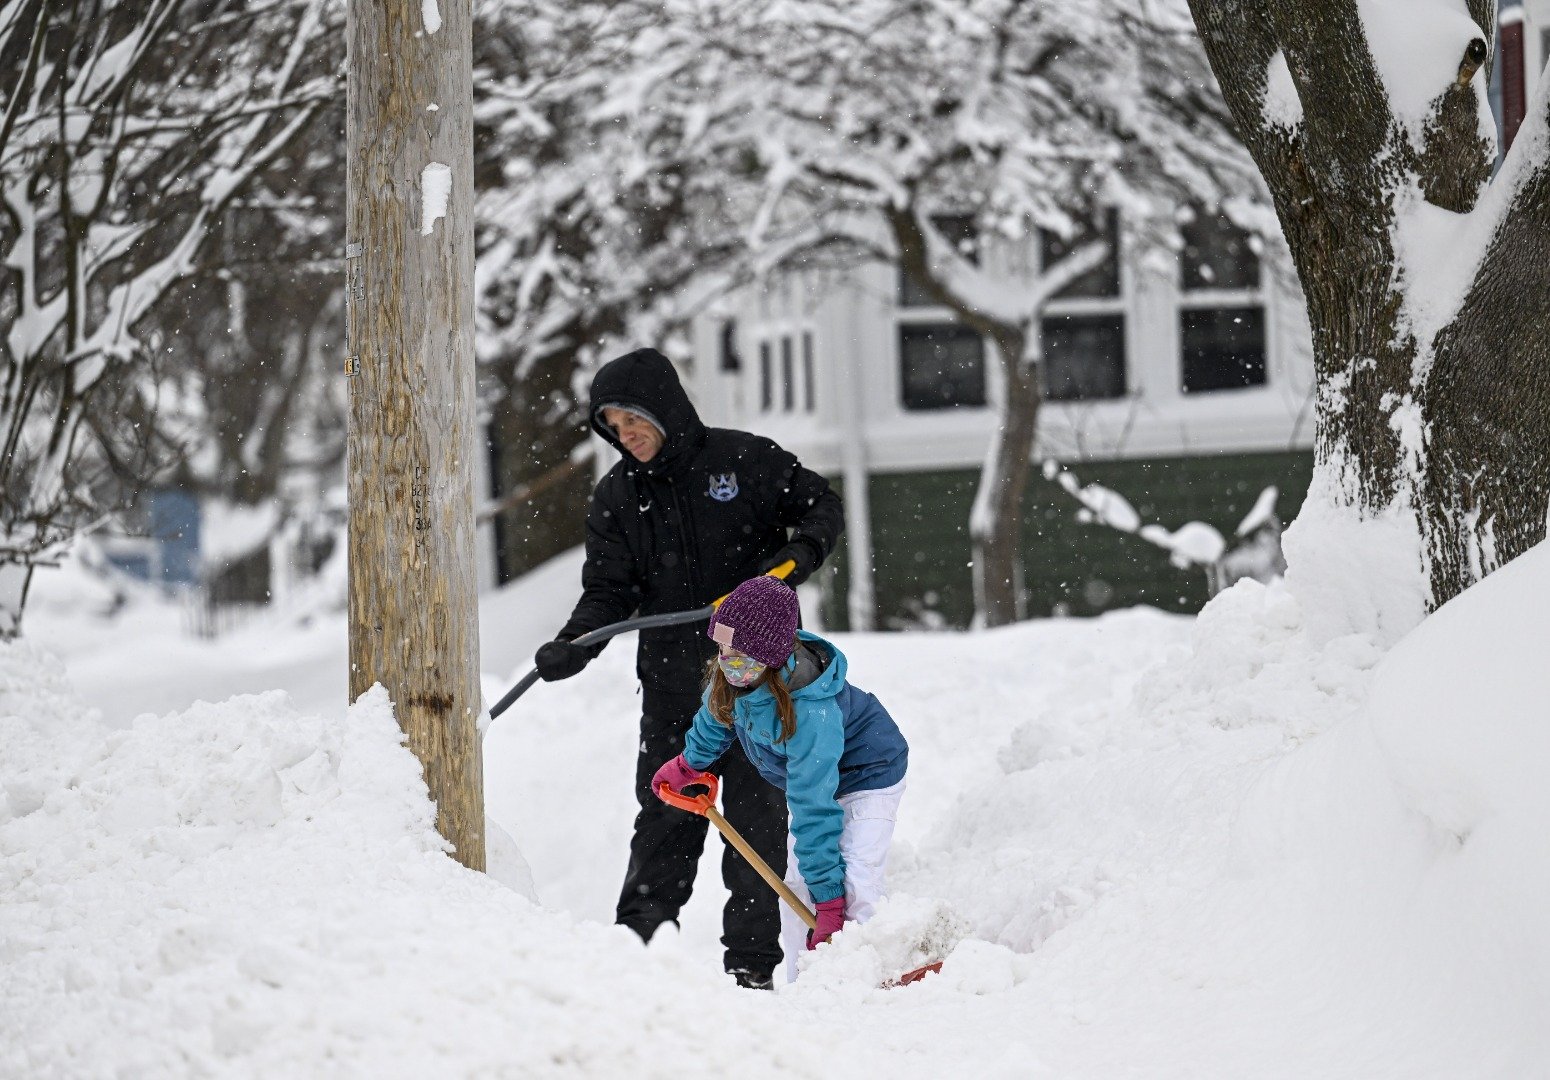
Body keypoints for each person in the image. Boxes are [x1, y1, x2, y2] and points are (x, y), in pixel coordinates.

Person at [533, 346, 844, 990]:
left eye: (634, 420)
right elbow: (608, 592)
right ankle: (637, 956)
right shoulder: (618, 497)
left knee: (758, 826)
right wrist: (575, 643)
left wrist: (786, 568)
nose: (627, 437)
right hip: (677, 691)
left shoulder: (744, 460)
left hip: (761, 684)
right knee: (665, 815)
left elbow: (822, 509)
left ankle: (752, 969)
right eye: (614, 428)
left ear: (664, 406)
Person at [651, 576, 909, 982]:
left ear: (769, 654)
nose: (725, 659)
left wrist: (829, 900)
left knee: (854, 882)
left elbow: (812, 805)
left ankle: (874, 977)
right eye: (721, 648)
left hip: (867, 774)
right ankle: (806, 985)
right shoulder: (736, 678)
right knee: (794, 889)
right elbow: (715, 721)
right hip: (813, 778)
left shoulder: (812, 710)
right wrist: (688, 766)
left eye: (737, 652)